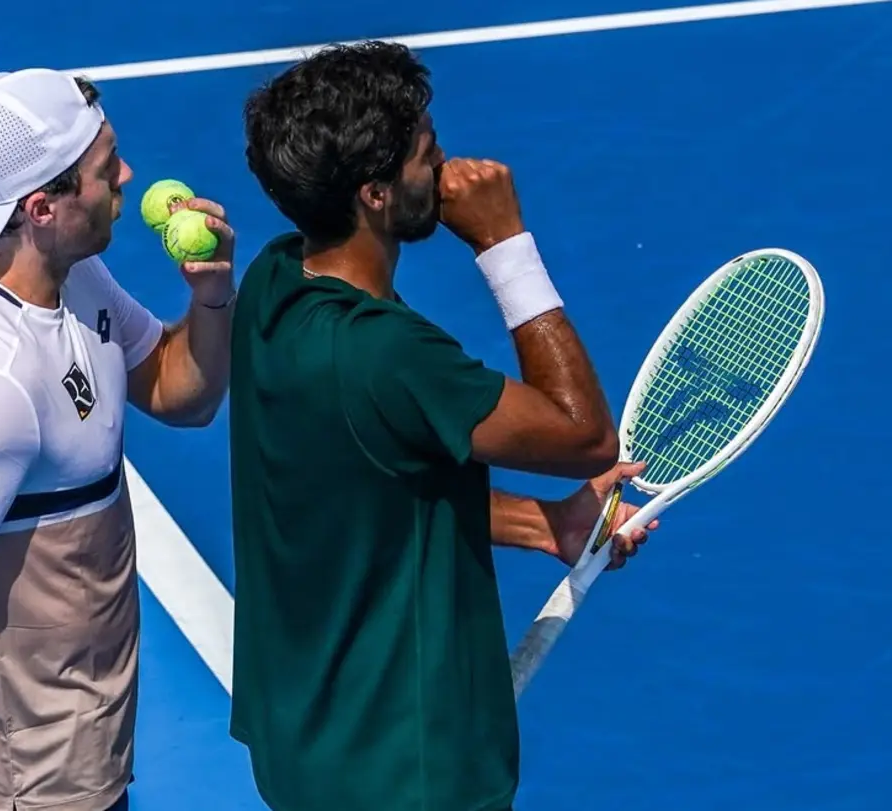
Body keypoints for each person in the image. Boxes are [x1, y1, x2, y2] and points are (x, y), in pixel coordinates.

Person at [227, 41, 659, 811]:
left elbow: (365, 486)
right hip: (409, 771)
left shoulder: (271, 284)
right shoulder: (390, 355)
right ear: (375, 194)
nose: (452, 168)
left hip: (305, 746)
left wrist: (544, 523)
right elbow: (584, 436)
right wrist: (503, 241)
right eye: (429, 154)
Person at [0, 68, 235, 811]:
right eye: (107, 169)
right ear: (42, 207)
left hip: (85, 748)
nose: (128, 176)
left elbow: (176, 392)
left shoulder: (74, 277)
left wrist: (212, 296)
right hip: (28, 785)